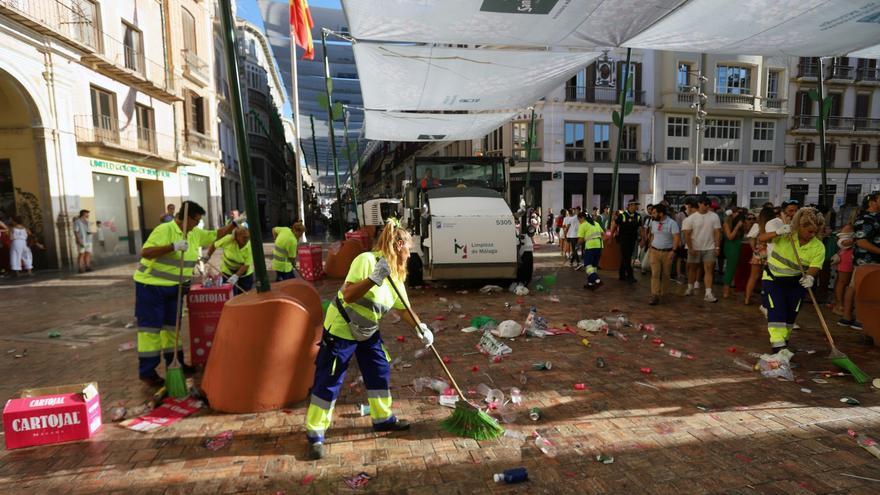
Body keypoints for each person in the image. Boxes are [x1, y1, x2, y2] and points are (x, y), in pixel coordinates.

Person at [305, 220, 431, 459]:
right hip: (342, 328)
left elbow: (404, 308)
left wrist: (420, 328)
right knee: (330, 378)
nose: (410, 254)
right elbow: (350, 294)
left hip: (367, 330)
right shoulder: (366, 261)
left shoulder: (396, 274)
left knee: (379, 369)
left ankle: (382, 419)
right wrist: (373, 279)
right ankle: (316, 432)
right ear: (399, 244)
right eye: (409, 249)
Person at [133, 201, 235, 387]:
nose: (197, 224)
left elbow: (214, 235)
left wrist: (234, 225)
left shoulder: (195, 233)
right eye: (195, 220)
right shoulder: (165, 229)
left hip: (175, 288)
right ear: (185, 217)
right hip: (151, 287)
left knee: (173, 328)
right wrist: (172, 246)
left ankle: (176, 364)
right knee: (151, 331)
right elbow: (145, 252)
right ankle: (147, 372)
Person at [761, 208, 826, 353]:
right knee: (777, 311)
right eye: (810, 231)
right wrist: (777, 232)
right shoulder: (786, 236)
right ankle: (778, 346)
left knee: (791, 314)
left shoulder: (818, 247)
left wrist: (810, 276)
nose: (813, 235)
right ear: (800, 227)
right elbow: (762, 238)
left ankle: (784, 342)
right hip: (774, 279)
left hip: (796, 283)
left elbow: (815, 265)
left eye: (815, 232)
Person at [839, 191, 880, 330]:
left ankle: (848, 317)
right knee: (861, 288)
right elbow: (861, 241)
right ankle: (858, 318)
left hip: (870, 260)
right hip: (867, 260)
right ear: (872, 202)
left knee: (855, 286)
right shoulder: (866, 219)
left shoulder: (875, 217)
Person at [682, 197, 722, 302]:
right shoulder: (690, 219)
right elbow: (686, 234)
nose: (706, 206)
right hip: (695, 247)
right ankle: (690, 287)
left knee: (708, 269)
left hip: (709, 247)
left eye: (708, 205)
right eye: (704, 204)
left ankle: (708, 293)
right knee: (692, 269)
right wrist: (690, 248)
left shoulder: (714, 216)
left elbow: (717, 232)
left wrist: (717, 247)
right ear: (699, 204)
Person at [646, 204, 681, 305]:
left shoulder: (672, 223)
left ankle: (664, 294)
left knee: (666, 274)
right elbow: (652, 235)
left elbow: (676, 238)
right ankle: (654, 295)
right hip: (654, 251)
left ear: (661, 214)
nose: (652, 215)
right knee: (655, 273)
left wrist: (673, 251)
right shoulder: (653, 222)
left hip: (667, 252)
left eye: (654, 213)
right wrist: (650, 247)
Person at [206, 226, 254, 295]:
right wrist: (208, 256)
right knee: (229, 294)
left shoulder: (250, 245)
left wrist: (236, 276)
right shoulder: (228, 240)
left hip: (245, 273)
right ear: (236, 237)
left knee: (244, 296)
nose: (246, 240)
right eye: (244, 237)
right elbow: (214, 244)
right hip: (227, 271)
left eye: (248, 237)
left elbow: (246, 264)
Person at [744, 206, 775, 305]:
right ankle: (767, 300)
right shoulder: (773, 225)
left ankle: (747, 298)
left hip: (759, 251)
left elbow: (751, 238)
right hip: (771, 252)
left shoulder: (757, 225)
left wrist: (754, 249)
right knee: (769, 277)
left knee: (753, 277)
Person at [610, 200, 641, 283]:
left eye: (636, 205)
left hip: (632, 240)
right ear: (630, 206)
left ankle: (622, 275)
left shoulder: (638, 216)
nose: (636, 207)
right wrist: (611, 237)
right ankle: (630, 276)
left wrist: (643, 238)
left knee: (626, 257)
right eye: (635, 205)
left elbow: (641, 228)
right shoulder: (622, 215)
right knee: (626, 257)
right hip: (623, 240)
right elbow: (614, 226)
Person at [721, 208, 746, 298]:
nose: (739, 215)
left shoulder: (739, 222)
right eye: (737, 213)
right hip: (731, 247)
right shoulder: (726, 223)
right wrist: (737, 227)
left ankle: (729, 289)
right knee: (730, 268)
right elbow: (730, 237)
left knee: (735, 268)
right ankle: (725, 291)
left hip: (737, 246)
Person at [831, 223, 854, 316]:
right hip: (847, 256)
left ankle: (841, 304)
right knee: (843, 282)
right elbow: (841, 242)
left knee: (847, 282)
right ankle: (839, 305)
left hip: (851, 257)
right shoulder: (850, 226)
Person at [577, 212, 604, 289]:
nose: (579, 221)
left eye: (579, 219)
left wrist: (577, 246)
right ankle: (590, 283)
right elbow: (602, 234)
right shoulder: (596, 223)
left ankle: (597, 280)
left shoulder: (583, 225)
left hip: (590, 247)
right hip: (599, 246)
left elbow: (581, 239)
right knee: (594, 266)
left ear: (582, 218)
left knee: (588, 265)